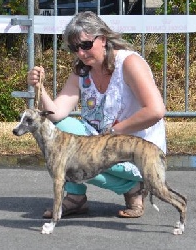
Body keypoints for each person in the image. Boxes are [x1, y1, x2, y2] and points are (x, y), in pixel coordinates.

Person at [26, 11, 166, 219]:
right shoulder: (82, 71)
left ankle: (133, 186)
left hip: (137, 150)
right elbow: (56, 114)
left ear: (102, 38)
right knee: (60, 133)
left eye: (85, 45)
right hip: (100, 146)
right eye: (75, 48)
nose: (81, 53)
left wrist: (115, 131)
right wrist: (39, 87)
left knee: (73, 159)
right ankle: (77, 197)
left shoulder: (129, 63)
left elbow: (156, 111)